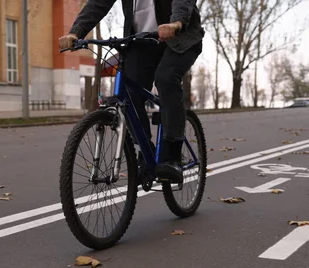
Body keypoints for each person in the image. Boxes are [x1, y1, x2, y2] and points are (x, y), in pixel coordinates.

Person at [58, 0, 204, 184]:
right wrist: (75, 32)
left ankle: (172, 156)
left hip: (179, 37)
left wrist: (177, 22)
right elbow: (98, 4)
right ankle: (145, 150)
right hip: (142, 41)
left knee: (166, 78)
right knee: (129, 90)